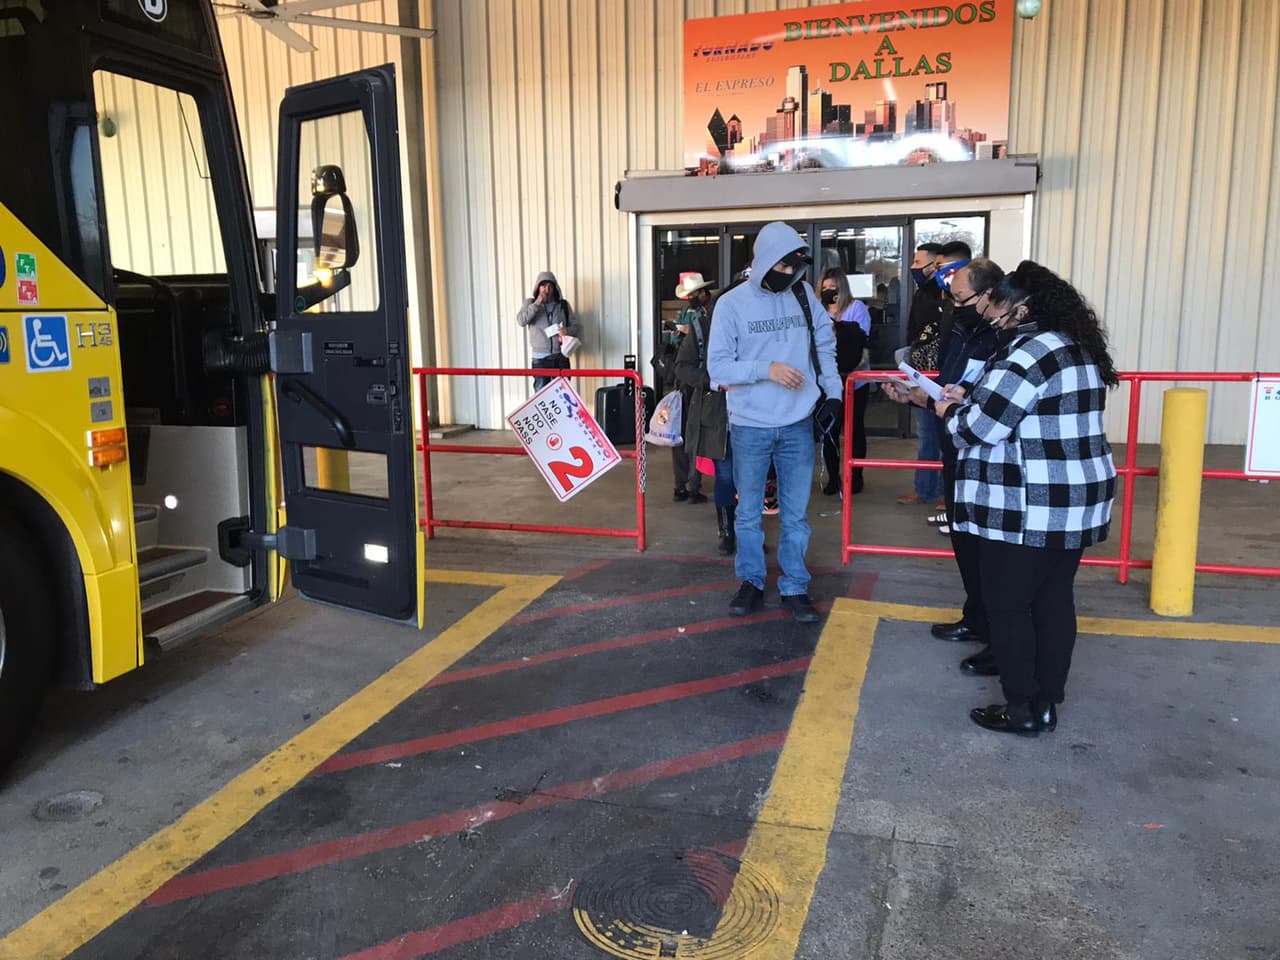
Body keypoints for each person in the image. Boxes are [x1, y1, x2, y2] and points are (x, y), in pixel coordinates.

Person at [935, 262, 1118, 736]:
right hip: (1074, 500)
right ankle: (1046, 702)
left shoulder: (1029, 352)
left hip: (1027, 504)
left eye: (999, 312)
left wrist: (949, 408)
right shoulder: (1077, 348)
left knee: (1009, 605)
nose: (994, 321)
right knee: (1054, 600)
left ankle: (1020, 707)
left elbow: (978, 429)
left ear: (1023, 308)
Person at [707, 222, 842, 624]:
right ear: (763, 261)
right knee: (748, 512)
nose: (788, 274)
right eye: (781, 266)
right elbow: (717, 368)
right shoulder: (731, 305)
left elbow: (825, 345)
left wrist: (832, 393)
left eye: (794, 267)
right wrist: (767, 369)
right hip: (750, 424)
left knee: (796, 514)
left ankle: (795, 586)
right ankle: (750, 580)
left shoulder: (803, 296)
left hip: (799, 422)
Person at [886, 257, 1005, 663]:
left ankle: (999, 637)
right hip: (954, 445)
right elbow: (950, 385)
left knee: (990, 551)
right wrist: (917, 393)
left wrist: (938, 400)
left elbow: (989, 403)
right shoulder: (961, 328)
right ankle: (976, 617)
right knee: (964, 540)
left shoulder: (1002, 339)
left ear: (988, 295)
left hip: (986, 457)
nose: (953, 304)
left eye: (959, 297)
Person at [674, 282, 733, 552]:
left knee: (752, 480)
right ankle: (728, 532)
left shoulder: (756, 328)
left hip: (757, 414)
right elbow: (682, 367)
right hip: (718, 415)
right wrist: (713, 382)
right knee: (725, 476)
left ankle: (749, 532)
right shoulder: (702, 328)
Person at [898, 242, 945, 506]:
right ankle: (923, 488)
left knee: (941, 436)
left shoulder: (944, 294)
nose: (914, 268)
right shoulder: (921, 294)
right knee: (925, 434)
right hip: (919, 372)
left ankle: (942, 493)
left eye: (918, 263)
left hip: (940, 375)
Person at [818, 267, 870, 496]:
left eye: (833, 287)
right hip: (827, 384)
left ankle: (856, 476)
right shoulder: (817, 312)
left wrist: (838, 329)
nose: (829, 291)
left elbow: (862, 343)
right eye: (825, 288)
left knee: (855, 429)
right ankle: (833, 477)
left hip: (855, 381)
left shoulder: (857, 309)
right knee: (830, 430)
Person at [670, 273, 716, 503]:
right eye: (688, 295)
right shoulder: (686, 314)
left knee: (693, 434)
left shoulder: (711, 314)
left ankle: (692, 484)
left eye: (694, 294)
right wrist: (680, 335)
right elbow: (676, 347)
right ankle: (684, 485)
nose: (691, 299)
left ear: (704, 293)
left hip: (700, 380)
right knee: (684, 434)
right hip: (690, 380)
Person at [517, 271, 580, 390]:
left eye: (550, 286)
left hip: (561, 357)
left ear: (555, 288)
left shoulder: (563, 305)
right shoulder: (530, 303)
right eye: (543, 285)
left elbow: (576, 326)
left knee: (562, 395)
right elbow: (521, 321)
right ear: (538, 287)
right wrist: (537, 304)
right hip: (540, 359)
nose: (546, 289)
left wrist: (566, 331)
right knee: (541, 396)